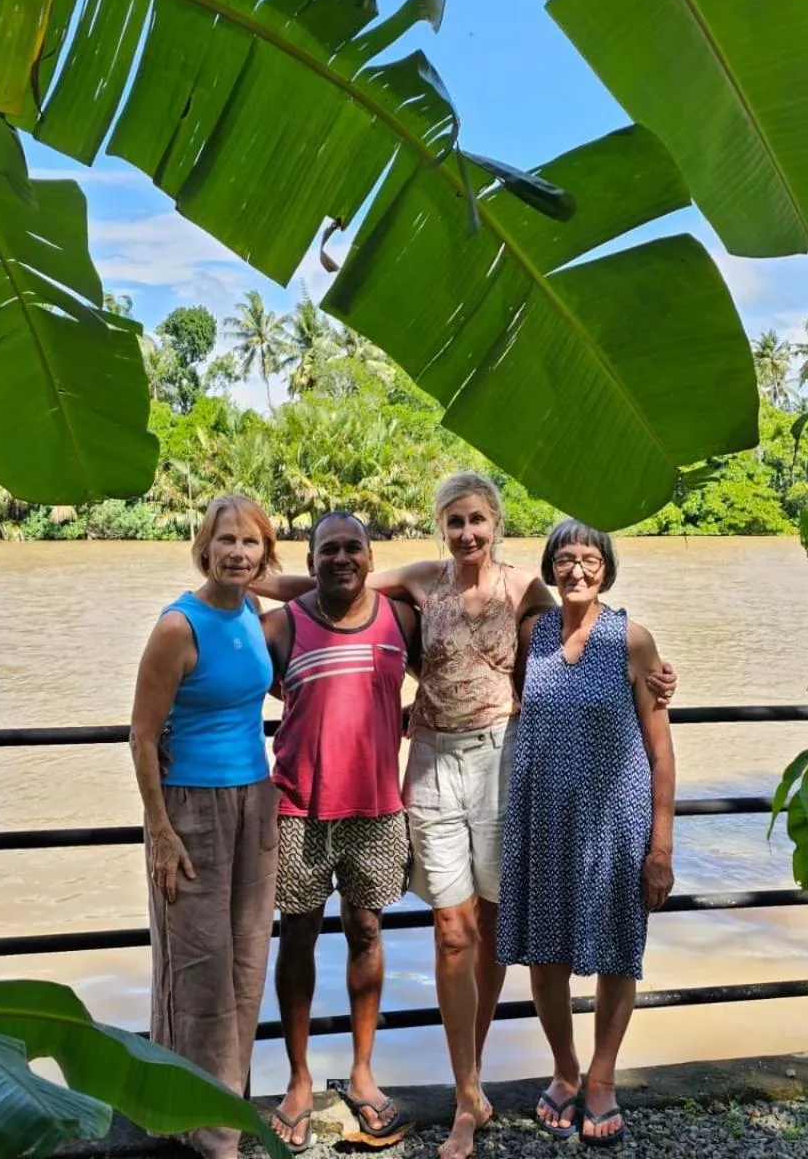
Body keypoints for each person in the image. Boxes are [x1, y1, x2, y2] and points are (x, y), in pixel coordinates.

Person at [258, 472, 674, 1159]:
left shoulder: (527, 590)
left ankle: (488, 1079)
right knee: (452, 931)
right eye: (455, 521)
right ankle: (467, 1091)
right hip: (430, 759)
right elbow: (337, 580)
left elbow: (584, 627)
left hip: (502, 759)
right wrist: (251, 580)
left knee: (495, 924)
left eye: (478, 520)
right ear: (441, 527)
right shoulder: (422, 580)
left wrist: (653, 674)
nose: (467, 533)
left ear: (497, 523)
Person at [497, 520, 677, 1149]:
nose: (577, 570)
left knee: (617, 952)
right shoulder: (534, 634)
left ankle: (602, 1078)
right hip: (543, 819)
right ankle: (565, 1070)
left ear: (607, 569)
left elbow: (661, 751)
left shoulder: (632, 640)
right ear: (550, 566)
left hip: (615, 823)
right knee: (544, 953)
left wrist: (661, 847)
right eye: (566, 558)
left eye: (590, 560)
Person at [260, 511, 420, 1151]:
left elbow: (461, 672)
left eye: (354, 547)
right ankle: (298, 1079)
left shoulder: (401, 619)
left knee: (367, 930)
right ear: (311, 561)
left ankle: (361, 1071)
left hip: (377, 806)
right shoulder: (280, 626)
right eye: (329, 549)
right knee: (297, 934)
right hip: (298, 806)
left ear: (370, 557)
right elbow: (227, 688)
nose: (342, 558)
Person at [129, 494, 281, 1159]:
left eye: (251, 542)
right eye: (227, 541)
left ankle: (222, 1109)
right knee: (199, 968)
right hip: (191, 805)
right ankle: (208, 1132)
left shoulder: (251, 610)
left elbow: (316, 588)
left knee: (247, 964)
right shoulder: (178, 626)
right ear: (204, 547)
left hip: (256, 799)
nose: (238, 553)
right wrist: (160, 832)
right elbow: (141, 736)